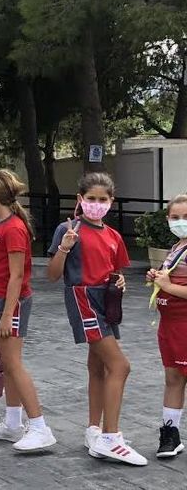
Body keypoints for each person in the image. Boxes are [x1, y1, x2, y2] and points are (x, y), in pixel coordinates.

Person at [47, 172, 145, 465]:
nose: (97, 204)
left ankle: (94, 430)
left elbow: (116, 271)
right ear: (80, 200)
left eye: (103, 199)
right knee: (120, 365)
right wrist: (64, 247)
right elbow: (52, 275)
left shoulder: (113, 235)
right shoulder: (68, 229)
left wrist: (120, 282)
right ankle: (111, 439)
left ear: (111, 202)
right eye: (91, 199)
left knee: (99, 366)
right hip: (84, 299)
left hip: (106, 299)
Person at [0, 169, 56, 452]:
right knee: (9, 365)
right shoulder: (1, 227)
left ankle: (39, 426)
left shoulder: (13, 229)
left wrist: (8, 312)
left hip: (11, 303)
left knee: (13, 364)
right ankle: (12, 424)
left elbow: (17, 276)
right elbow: (0, 274)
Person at [150, 194, 187, 459]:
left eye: (186, 217)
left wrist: (168, 286)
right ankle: (171, 434)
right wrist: (157, 276)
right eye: (175, 217)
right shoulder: (177, 247)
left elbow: (175, 286)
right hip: (170, 324)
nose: (180, 222)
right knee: (172, 378)